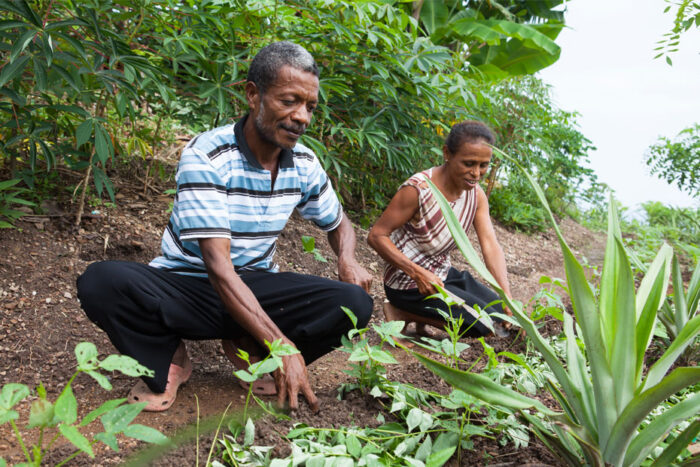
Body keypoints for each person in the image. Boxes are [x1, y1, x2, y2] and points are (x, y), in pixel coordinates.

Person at [76, 41, 373, 413]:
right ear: (253, 94)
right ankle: (167, 359)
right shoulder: (208, 156)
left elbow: (340, 221)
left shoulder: (304, 163)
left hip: (253, 284)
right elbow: (218, 268)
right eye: (289, 101)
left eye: (310, 106)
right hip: (189, 286)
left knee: (355, 303)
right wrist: (283, 345)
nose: (302, 117)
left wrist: (347, 258)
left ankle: (249, 344)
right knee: (101, 282)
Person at [367, 120, 512, 338]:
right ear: (447, 154)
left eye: (483, 165)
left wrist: (506, 295)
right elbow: (376, 235)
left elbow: (490, 245)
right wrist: (416, 272)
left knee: (504, 318)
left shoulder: (476, 194)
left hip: (443, 274)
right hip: (408, 283)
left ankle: (418, 316)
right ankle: (401, 311)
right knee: (489, 328)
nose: (476, 173)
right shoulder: (418, 190)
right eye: (469, 163)